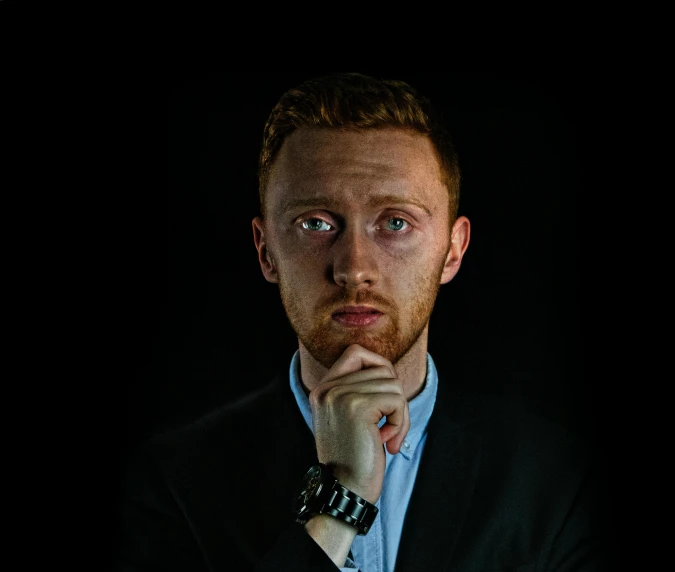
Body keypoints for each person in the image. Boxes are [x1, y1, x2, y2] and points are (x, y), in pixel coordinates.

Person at [112, 72, 613, 571]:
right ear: (266, 251)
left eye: (396, 222)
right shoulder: (174, 480)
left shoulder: (556, 479)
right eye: (316, 223)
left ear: (452, 251)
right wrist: (341, 496)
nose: (354, 268)